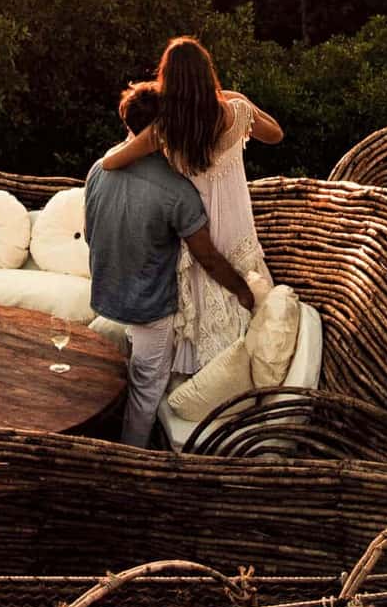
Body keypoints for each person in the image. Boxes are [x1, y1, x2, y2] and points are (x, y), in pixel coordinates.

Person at [97, 36, 284, 372]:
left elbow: (111, 162)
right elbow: (275, 135)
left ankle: (195, 384)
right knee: (247, 322)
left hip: (193, 236)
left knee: (195, 324)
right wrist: (240, 100)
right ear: (207, 74)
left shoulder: (164, 131)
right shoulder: (236, 112)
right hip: (236, 233)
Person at [85, 83, 253, 446]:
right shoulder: (176, 190)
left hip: (107, 291)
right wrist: (243, 290)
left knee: (131, 373)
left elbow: (89, 231)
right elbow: (207, 257)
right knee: (147, 391)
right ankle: (132, 458)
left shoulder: (100, 168)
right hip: (149, 308)